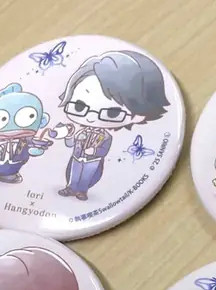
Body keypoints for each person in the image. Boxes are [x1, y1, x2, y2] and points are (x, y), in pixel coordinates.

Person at [52, 50, 169, 200]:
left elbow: (104, 150)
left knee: (88, 175)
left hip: (93, 161)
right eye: (79, 107)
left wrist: (94, 151)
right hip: (77, 158)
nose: (91, 118)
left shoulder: (106, 137)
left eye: (112, 113)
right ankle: (71, 187)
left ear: (138, 115)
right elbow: (70, 144)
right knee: (73, 173)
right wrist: (68, 136)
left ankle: (82, 190)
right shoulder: (80, 132)